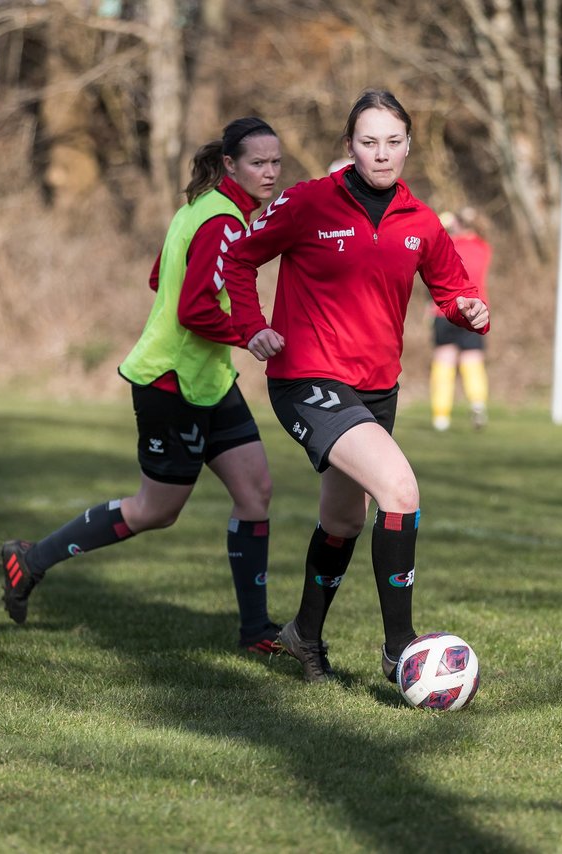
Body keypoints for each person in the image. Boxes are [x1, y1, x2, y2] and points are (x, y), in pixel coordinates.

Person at [223, 89, 490, 683]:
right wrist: (253, 328)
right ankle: (402, 650)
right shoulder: (307, 202)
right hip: (307, 379)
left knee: (343, 521)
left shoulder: (421, 221)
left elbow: (451, 287)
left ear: (408, 146)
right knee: (400, 489)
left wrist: (466, 307)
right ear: (350, 146)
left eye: (393, 142)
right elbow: (239, 261)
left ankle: (303, 636)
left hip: (376, 389)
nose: (382, 154)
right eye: (369, 142)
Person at [0, 117, 285, 655]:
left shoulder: (200, 210)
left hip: (209, 379)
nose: (270, 173)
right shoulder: (220, 220)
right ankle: (29, 559)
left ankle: (255, 633)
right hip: (170, 382)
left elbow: (159, 275)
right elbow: (192, 305)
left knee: (256, 492)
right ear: (230, 165)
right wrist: (250, 334)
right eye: (258, 163)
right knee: (157, 510)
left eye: (275, 163)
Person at [430, 208, 493, 431]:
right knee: (472, 360)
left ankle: (441, 417)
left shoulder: (449, 244)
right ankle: (477, 404)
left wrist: (445, 226)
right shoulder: (484, 248)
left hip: (445, 310)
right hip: (475, 309)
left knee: (444, 360)